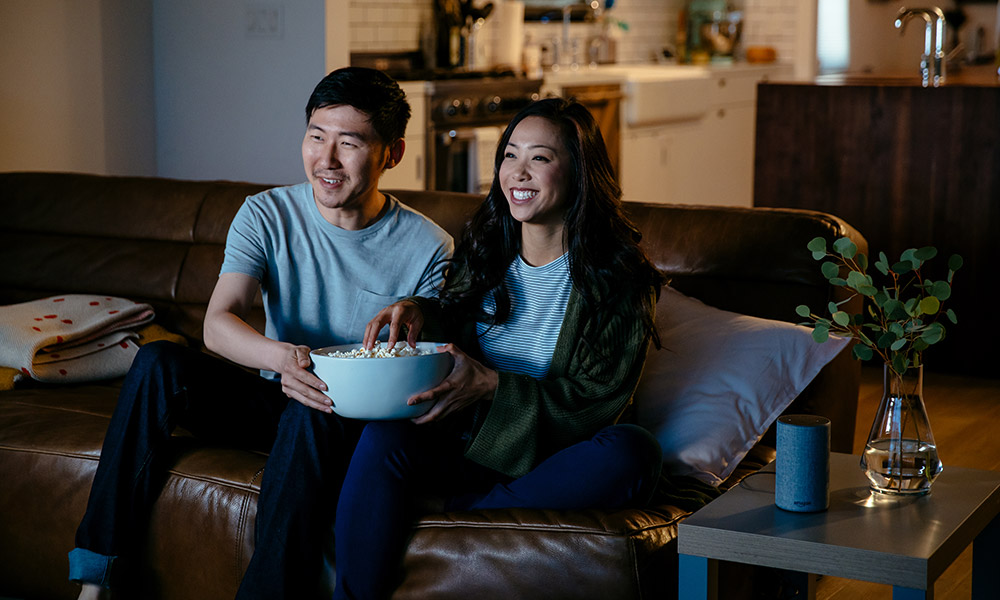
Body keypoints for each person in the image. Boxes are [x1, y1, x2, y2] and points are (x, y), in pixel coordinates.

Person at [68, 67, 454, 600]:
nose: (328, 159)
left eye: (350, 143)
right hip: (274, 396)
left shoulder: (429, 247)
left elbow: (430, 358)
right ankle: (96, 579)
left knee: (315, 407)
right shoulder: (266, 214)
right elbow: (218, 323)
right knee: (159, 363)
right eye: (316, 137)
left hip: (347, 421)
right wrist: (282, 359)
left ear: (392, 152)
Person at [333, 97, 665, 599]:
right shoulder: (486, 249)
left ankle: (472, 510)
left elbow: (598, 403)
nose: (519, 172)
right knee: (384, 437)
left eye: (541, 157)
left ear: (579, 171)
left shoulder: (619, 281)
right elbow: (456, 314)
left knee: (634, 451)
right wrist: (421, 309)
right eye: (510, 155)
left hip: (553, 457)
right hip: (467, 442)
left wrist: (492, 385)